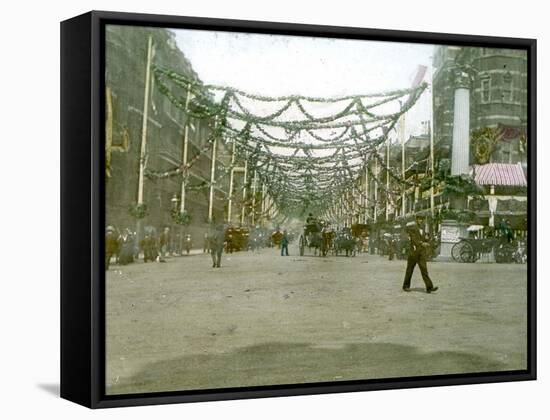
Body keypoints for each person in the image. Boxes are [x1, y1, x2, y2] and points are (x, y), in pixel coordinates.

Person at [402, 215, 438, 294]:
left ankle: (429, 287)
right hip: (413, 252)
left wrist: (427, 238)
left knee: (424, 269)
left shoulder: (424, 228)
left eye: (422, 219)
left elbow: (424, 238)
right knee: (410, 270)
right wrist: (422, 243)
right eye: (419, 219)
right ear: (416, 219)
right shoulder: (413, 228)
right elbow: (414, 239)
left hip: (421, 253)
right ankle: (406, 286)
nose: (421, 221)